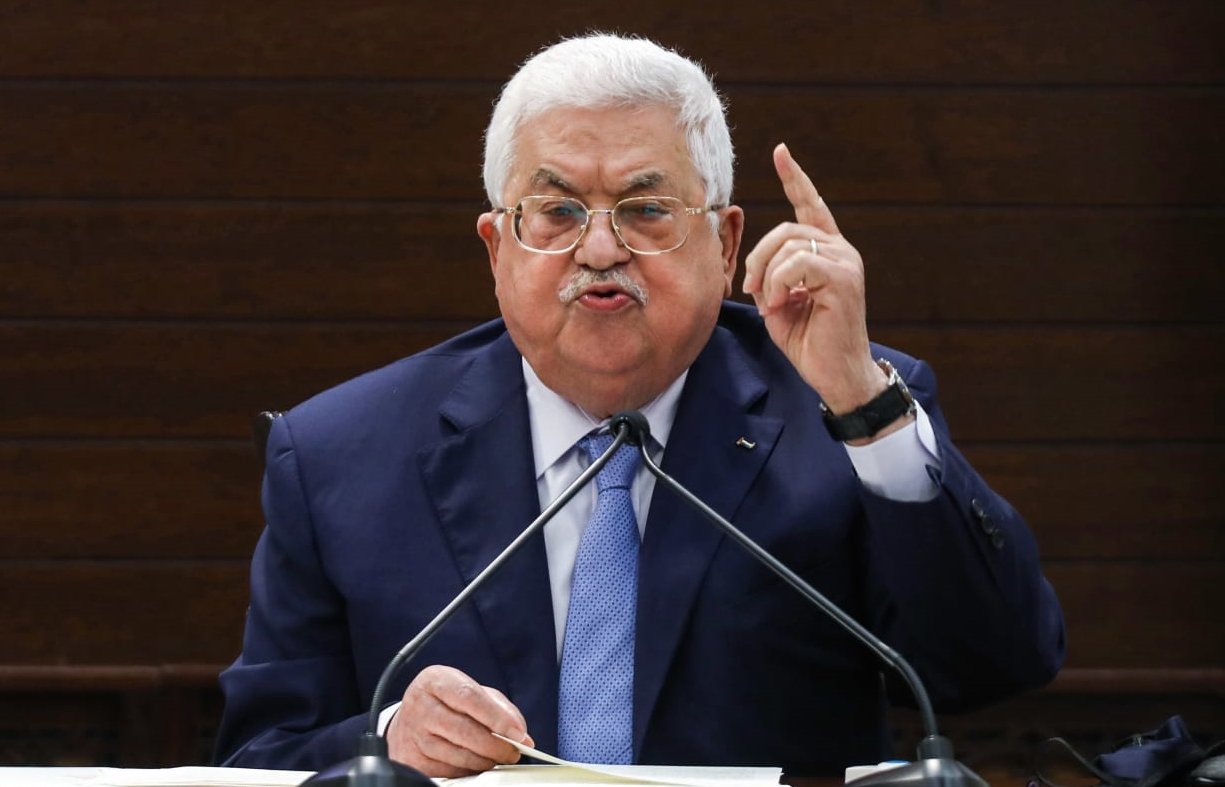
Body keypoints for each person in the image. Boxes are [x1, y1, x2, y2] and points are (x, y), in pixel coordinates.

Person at [215, 33, 1065, 778]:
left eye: (646, 210)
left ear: (725, 245)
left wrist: (862, 406)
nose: (598, 247)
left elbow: (992, 667)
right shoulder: (338, 454)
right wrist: (389, 737)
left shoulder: (840, 407)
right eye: (555, 212)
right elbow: (255, 758)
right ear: (497, 249)